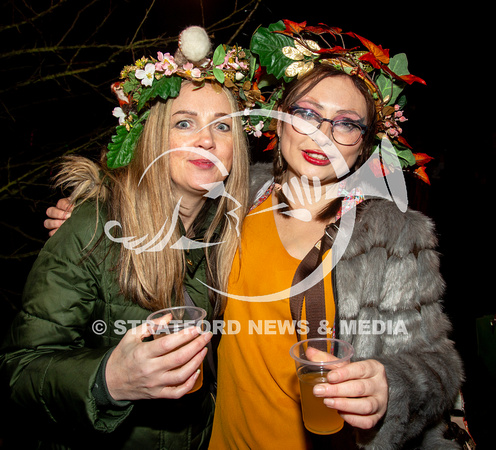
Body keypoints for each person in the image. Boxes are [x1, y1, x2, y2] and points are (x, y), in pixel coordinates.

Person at [42, 20, 464, 449]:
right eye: (306, 113)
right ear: (278, 122)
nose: (323, 133)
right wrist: (100, 210)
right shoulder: (237, 197)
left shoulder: (393, 239)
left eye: (347, 123)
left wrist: (389, 387)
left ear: (364, 144)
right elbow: (161, 196)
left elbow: (440, 363)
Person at [0, 27, 251, 449]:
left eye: (223, 127)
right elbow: (19, 369)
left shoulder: (231, 233)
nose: (206, 140)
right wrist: (109, 381)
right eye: (185, 123)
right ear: (154, 136)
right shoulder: (93, 228)